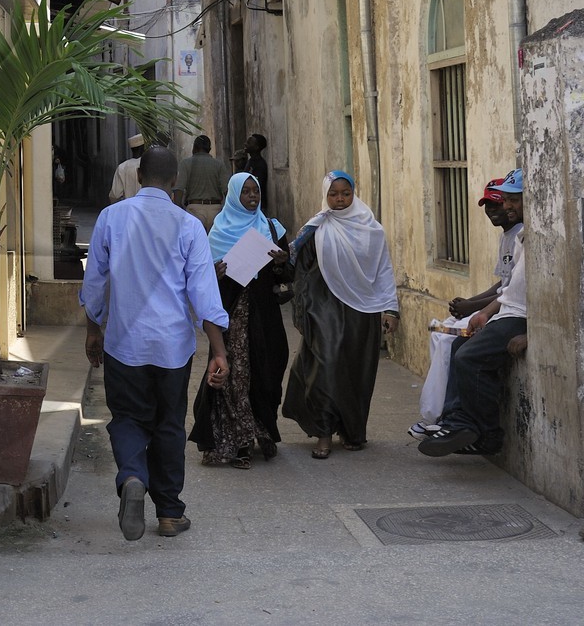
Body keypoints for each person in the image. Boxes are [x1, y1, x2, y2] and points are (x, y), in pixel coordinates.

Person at [81, 147, 229, 541]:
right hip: (172, 349)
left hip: (123, 344)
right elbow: (204, 294)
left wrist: (93, 330)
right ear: (175, 181)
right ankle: (168, 513)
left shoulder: (111, 218)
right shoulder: (189, 225)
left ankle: (132, 476)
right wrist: (219, 350)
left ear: (139, 176)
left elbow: (94, 283)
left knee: (128, 418)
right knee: (168, 425)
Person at [282, 171, 398, 458]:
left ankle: (352, 430)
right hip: (324, 306)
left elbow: (383, 269)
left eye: (345, 193)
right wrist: (303, 306)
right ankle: (323, 432)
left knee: (357, 369)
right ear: (325, 195)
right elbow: (299, 267)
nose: (340, 199)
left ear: (353, 193)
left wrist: (390, 307)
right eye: (333, 194)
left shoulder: (372, 229)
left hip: (362, 308)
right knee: (326, 364)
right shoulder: (316, 228)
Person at [421, 170, 528, 457]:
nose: (507, 207)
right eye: (505, 200)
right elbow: (509, 289)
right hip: (507, 311)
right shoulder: (520, 238)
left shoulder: (534, 237)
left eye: (513, 200)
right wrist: (484, 312)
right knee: (457, 343)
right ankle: (457, 420)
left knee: (469, 356)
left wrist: (531, 334)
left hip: (518, 317)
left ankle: (487, 434)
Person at [188, 174, 290, 468]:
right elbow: (202, 281)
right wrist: (215, 274)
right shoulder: (218, 233)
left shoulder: (271, 228)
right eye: (245, 191)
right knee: (234, 378)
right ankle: (239, 440)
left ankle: (260, 430)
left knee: (265, 373)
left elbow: (288, 274)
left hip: (264, 318)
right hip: (231, 318)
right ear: (233, 195)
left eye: (255, 191)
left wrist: (282, 263)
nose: (251, 196)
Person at [174, 135, 229, 231]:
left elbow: (179, 189)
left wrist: (180, 210)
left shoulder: (185, 163)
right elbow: (227, 191)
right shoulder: (219, 164)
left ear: (194, 147)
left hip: (194, 209)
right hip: (216, 209)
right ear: (209, 149)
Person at [107, 134, 145, 204]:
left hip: (129, 209)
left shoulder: (122, 167)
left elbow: (115, 195)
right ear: (143, 147)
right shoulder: (149, 164)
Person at [243, 135, 270, 205]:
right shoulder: (251, 161)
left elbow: (256, 184)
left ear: (256, 147)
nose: (245, 144)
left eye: (249, 142)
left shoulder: (260, 164)